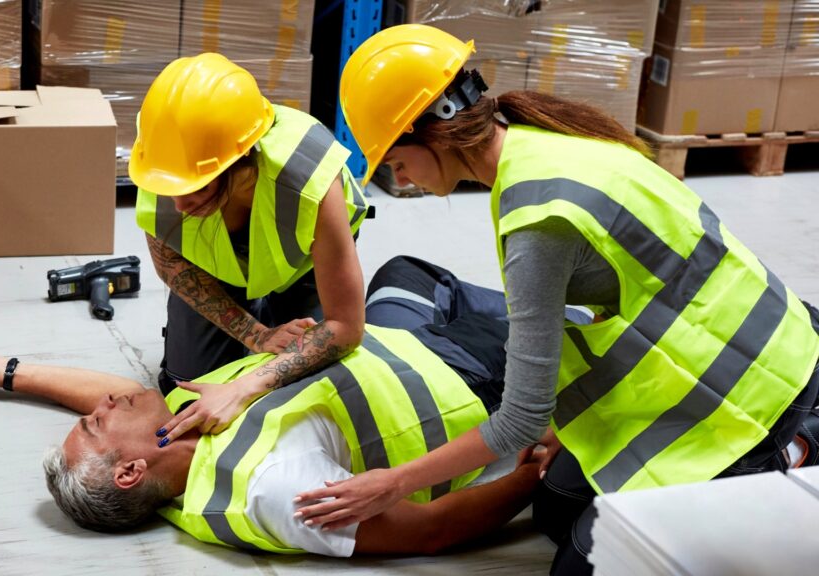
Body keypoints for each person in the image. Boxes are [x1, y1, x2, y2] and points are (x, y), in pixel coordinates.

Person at [293, 24, 819, 574]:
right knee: (557, 505)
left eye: (395, 161)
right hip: (742, 340)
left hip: (755, 391)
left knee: (581, 567)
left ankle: (789, 456)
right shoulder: (545, 140)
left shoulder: (540, 221)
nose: (399, 177)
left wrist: (390, 484)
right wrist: (559, 428)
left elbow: (517, 420)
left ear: (436, 129)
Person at [0, 256, 550, 556]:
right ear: (130, 470)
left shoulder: (180, 427)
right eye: (99, 421)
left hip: (386, 338)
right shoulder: (266, 488)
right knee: (564, 322)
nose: (104, 402)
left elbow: (105, 392)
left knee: (405, 272)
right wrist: (530, 476)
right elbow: (428, 530)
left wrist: (12, 373)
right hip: (464, 376)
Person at [128, 53, 370, 445]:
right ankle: (250, 318)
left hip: (301, 265)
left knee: (310, 383)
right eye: (169, 188)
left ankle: (278, 306)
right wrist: (253, 334)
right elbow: (171, 263)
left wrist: (247, 387)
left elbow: (346, 327)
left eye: (199, 189)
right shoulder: (168, 158)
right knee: (185, 387)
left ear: (244, 165)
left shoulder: (311, 181)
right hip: (215, 268)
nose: (178, 205)